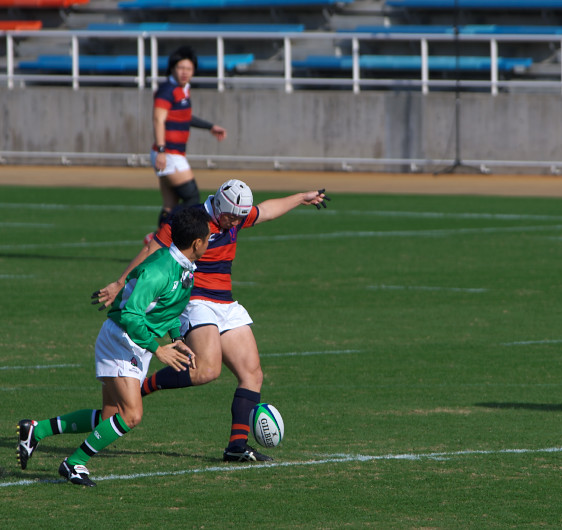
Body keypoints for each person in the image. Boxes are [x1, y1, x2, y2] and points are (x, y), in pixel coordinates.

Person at [92, 180, 329, 462]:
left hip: (225, 303)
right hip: (195, 300)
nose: (235, 223)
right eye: (231, 217)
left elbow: (265, 211)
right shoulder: (191, 222)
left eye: (240, 218)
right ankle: (141, 387)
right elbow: (150, 251)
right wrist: (120, 283)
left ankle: (236, 448)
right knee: (206, 370)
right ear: (218, 204)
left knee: (252, 373)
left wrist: (301, 197)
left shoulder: (235, 216)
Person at [16, 207, 211, 486]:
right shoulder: (160, 271)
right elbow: (131, 315)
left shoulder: (182, 267)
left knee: (108, 417)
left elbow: (166, 310)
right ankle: (74, 463)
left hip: (135, 342)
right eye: (208, 237)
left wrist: (176, 339)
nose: (210, 241)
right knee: (131, 415)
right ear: (197, 243)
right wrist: (158, 350)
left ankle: (37, 430)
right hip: (122, 340)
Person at [152, 45, 227, 228]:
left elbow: (184, 116)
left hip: (172, 154)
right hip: (169, 154)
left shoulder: (183, 89)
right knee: (192, 198)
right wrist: (161, 150)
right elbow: (158, 119)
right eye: (181, 67)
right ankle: (168, 236)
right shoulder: (167, 90)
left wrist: (209, 126)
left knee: (170, 204)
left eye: (189, 68)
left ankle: (157, 240)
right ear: (172, 68)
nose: (185, 72)